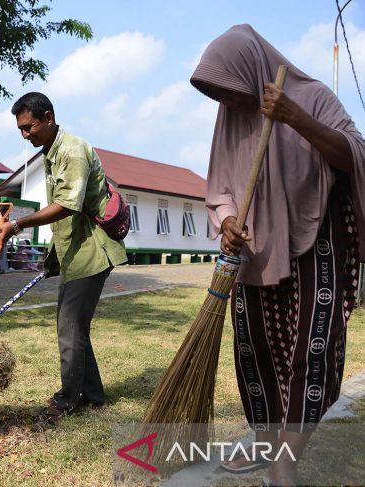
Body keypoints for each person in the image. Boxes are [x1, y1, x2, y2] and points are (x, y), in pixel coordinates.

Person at [190, 25, 365, 487]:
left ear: (253, 70)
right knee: (257, 352)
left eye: (233, 89)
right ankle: (267, 444)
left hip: (315, 240)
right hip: (254, 250)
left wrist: (294, 118)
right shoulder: (230, 113)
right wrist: (227, 220)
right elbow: (220, 186)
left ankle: (285, 461)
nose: (230, 102)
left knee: (312, 349)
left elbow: (354, 154)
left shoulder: (312, 96)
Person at [0, 92, 127, 421]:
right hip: (73, 252)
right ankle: (94, 396)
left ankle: (68, 400)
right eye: (21, 130)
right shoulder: (52, 153)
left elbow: (67, 205)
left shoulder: (71, 150)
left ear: (49, 117)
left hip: (91, 252)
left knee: (70, 327)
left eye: (30, 127)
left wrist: (19, 224)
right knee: (74, 328)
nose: (26, 135)